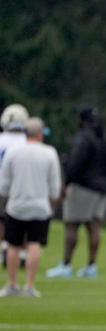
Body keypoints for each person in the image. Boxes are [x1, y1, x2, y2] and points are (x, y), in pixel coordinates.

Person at [45, 106, 106, 279]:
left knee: (72, 225)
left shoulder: (84, 137)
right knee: (94, 226)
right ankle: (91, 266)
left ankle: (66, 265)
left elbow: (75, 164)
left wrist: (66, 183)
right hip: (102, 187)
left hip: (82, 186)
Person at [0, 117, 61, 297]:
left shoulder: (12, 152)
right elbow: (54, 186)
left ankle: (11, 284)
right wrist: (52, 204)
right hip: (39, 206)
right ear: (40, 134)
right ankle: (29, 285)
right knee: (34, 243)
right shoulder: (49, 152)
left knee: (13, 245)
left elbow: (4, 184)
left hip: (16, 205)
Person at [0, 104, 29, 263]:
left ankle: (4, 247)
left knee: (1, 219)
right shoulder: (26, 142)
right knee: (22, 221)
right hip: (20, 187)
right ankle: (22, 253)